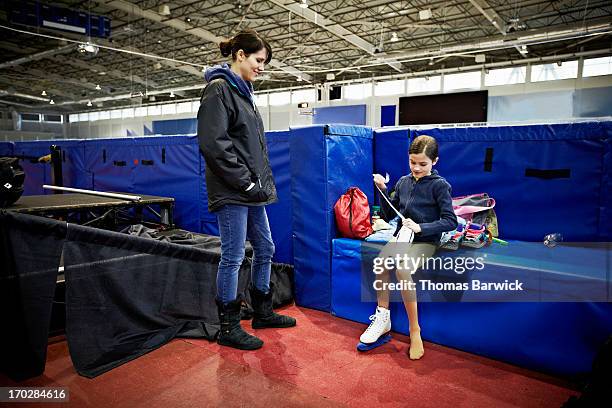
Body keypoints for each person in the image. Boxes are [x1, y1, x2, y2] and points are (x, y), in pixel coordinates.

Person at [197, 29, 296, 351]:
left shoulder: (243, 92)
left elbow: (250, 147)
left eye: (264, 61)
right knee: (234, 255)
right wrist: (247, 182)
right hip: (234, 190)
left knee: (265, 248)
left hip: (251, 190)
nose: (262, 66)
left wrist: (257, 186)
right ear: (240, 55)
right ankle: (227, 326)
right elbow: (214, 144)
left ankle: (262, 311)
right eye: (259, 59)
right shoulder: (219, 89)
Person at [360, 135, 458, 359]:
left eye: (422, 164)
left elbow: (450, 221)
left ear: (435, 161)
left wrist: (421, 227)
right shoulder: (403, 182)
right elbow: (387, 212)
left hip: (426, 240)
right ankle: (382, 318)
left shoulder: (440, 186)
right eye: (412, 162)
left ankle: (415, 331)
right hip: (402, 237)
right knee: (380, 264)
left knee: (403, 269)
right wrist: (382, 189)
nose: (416, 168)